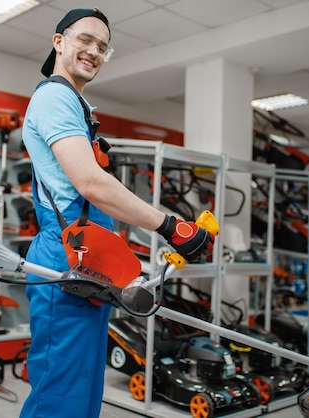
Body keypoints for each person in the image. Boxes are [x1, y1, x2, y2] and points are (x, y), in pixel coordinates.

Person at [20, 8, 214, 418]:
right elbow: (90, 184)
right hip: (65, 257)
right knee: (60, 394)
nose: (93, 51)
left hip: (87, 257)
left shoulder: (75, 101)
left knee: (83, 388)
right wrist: (170, 226)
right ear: (59, 41)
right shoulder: (55, 97)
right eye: (84, 40)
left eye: (102, 47)